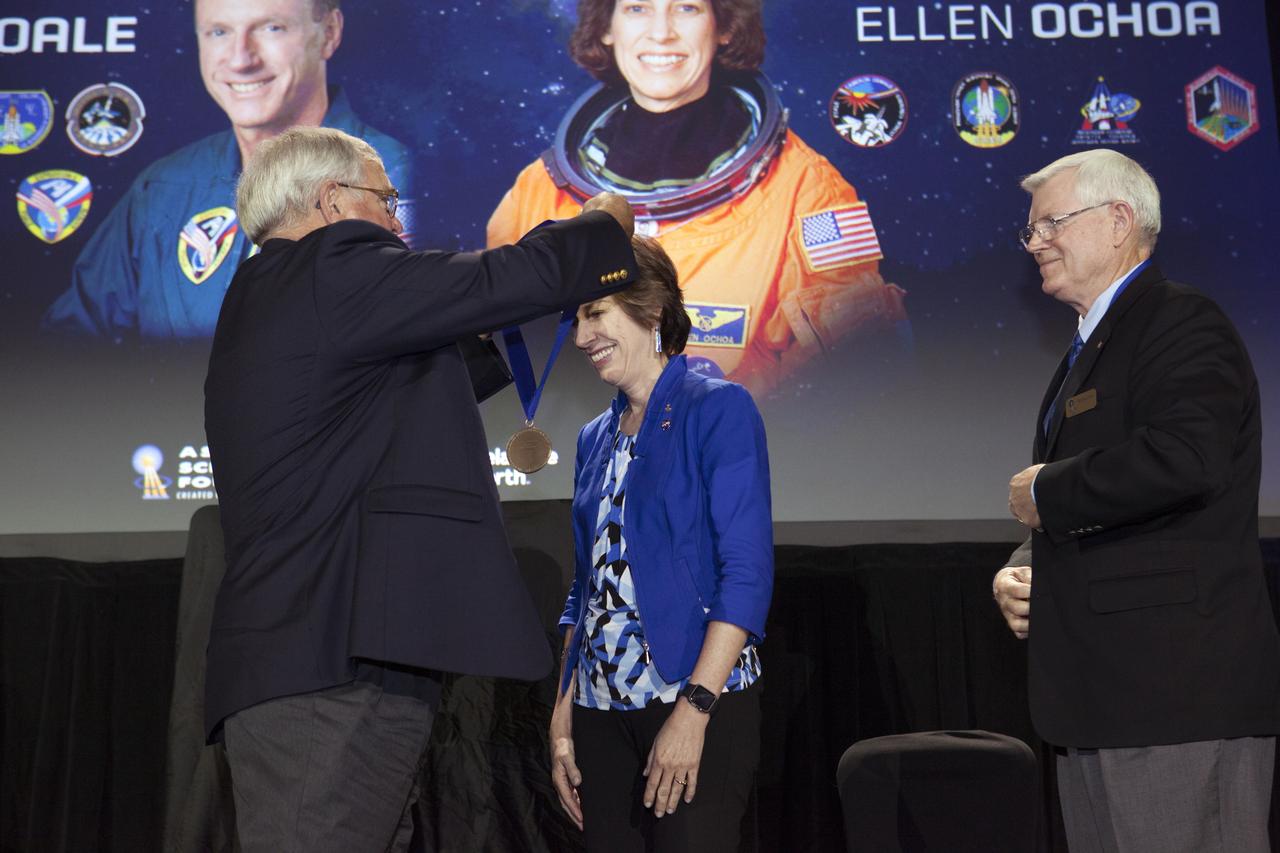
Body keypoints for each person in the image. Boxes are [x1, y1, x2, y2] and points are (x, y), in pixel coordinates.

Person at [202, 125, 637, 853]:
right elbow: (498, 279)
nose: (399, 224)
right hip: (330, 667)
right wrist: (605, 226)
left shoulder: (272, 295)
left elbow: (415, 382)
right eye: (386, 201)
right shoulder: (331, 264)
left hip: (317, 662)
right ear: (331, 200)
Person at [993, 148, 1280, 852]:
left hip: (1172, 698)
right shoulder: (1092, 346)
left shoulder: (1180, 321)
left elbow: (1186, 460)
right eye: (1031, 231)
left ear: (1120, 220)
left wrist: (1046, 490)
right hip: (1102, 701)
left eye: (1051, 222)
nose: (1037, 243)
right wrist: (1024, 566)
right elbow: (1103, 492)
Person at [487, 0, 906, 400]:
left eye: (687, 8)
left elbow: (853, 372)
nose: (661, 33)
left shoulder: (810, 190)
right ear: (606, 28)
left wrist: (700, 420)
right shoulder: (538, 189)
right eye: (636, 9)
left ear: (723, 26)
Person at [549, 235, 773, 851]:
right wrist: (563, 712)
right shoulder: (594, 436)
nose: (579, 337)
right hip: (599, 707)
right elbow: (584, 586)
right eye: (577, 320)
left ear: (649, 308)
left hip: (690, 698)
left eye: (595, 314)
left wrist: (694, 712)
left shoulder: (718, 408)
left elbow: (746, 574)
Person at [43, 0, 414, 340]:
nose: (241, 59)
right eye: (219, 32)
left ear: (329, 33)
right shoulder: (160, 191)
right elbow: (66, 347)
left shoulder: (399, 177)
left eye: (272, 28)